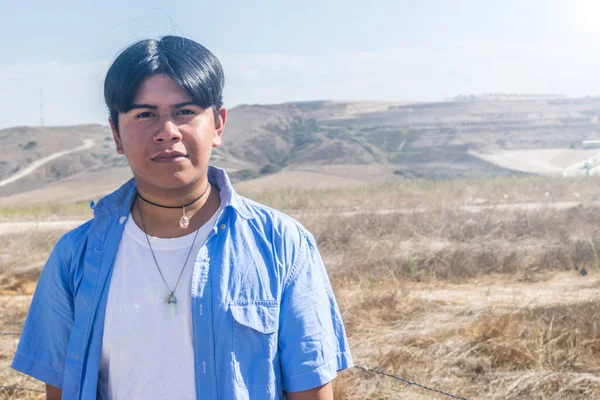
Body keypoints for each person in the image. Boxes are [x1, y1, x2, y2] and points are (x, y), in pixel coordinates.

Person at [11, 36, 352, 399]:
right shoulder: (74, 256)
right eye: (145, 114)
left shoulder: (282, 244)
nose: (167, 132)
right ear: (116, 133)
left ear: (218, 124)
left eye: (185, 112)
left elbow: (312, 391)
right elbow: (60, 391)